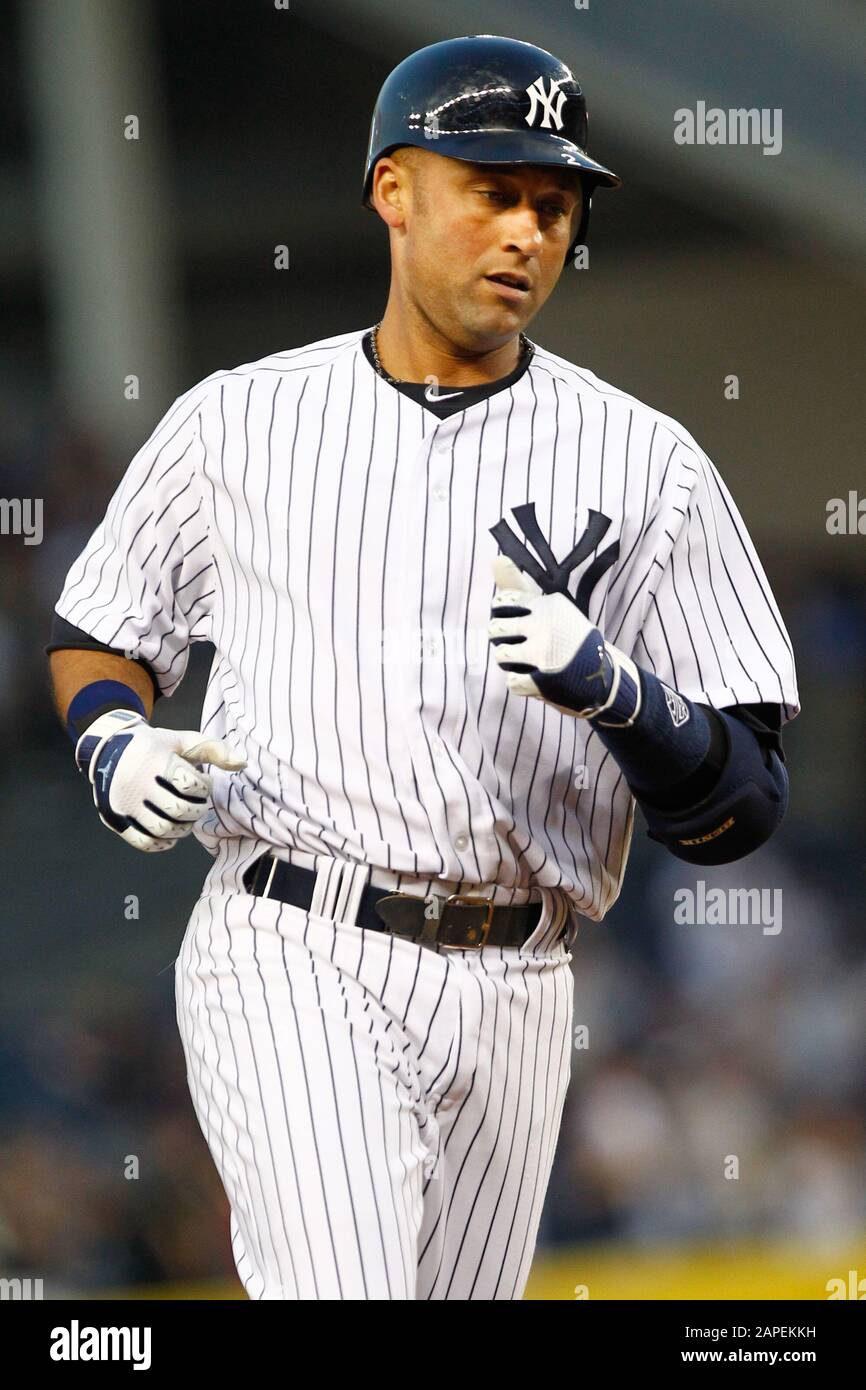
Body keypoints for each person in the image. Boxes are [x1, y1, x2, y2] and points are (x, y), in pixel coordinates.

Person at [46, 35, 798, 1300]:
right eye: (493, 192)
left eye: (552, 207)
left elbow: (741, 806)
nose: (527, 233)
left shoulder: (646, 461)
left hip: (521, 979)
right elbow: (102, 630)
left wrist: (617, 692)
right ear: (394, 191)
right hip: (294, 936)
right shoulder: (239, 420)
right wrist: (111, 739)